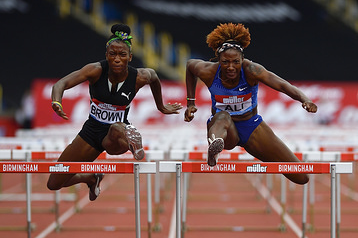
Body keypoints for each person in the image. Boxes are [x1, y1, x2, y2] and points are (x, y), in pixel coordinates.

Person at [47, 23, 182, 200]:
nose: (117, 59)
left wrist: (161, 106)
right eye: (112, 54)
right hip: (91, 131)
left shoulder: (140, 76)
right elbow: (61, 84)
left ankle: (134, 144)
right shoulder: (95, 70)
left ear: (130, 57)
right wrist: (56, 101)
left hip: (116, 137)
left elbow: (154, 78)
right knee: (54, 183)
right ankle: (91, 177)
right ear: (106, 55)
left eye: (122, 55)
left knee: (117, 127)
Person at [184, 23, 317, 184]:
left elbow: (282, 84)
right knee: (223, 116)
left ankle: (216, 144)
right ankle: (214, 148)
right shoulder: (208, 71)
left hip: (251, 125)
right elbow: (190, 66)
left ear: (242, 59)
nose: (231, 67)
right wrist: (190, 102)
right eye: (225, 62)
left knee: (301, 176)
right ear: (218, 60)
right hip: (224, 129)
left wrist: (305, 99)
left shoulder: (252, 70)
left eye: (236, 62)